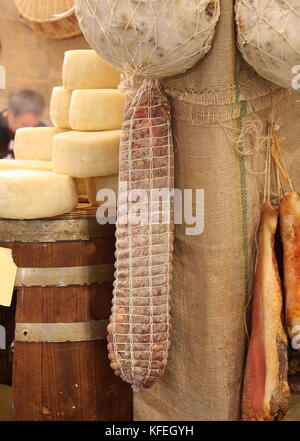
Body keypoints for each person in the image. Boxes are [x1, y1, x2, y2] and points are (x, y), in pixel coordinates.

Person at [0, 89, 45, 159]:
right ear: (10, 114)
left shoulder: (40, 130)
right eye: (24, 125)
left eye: (34, 126)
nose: (29, 131)